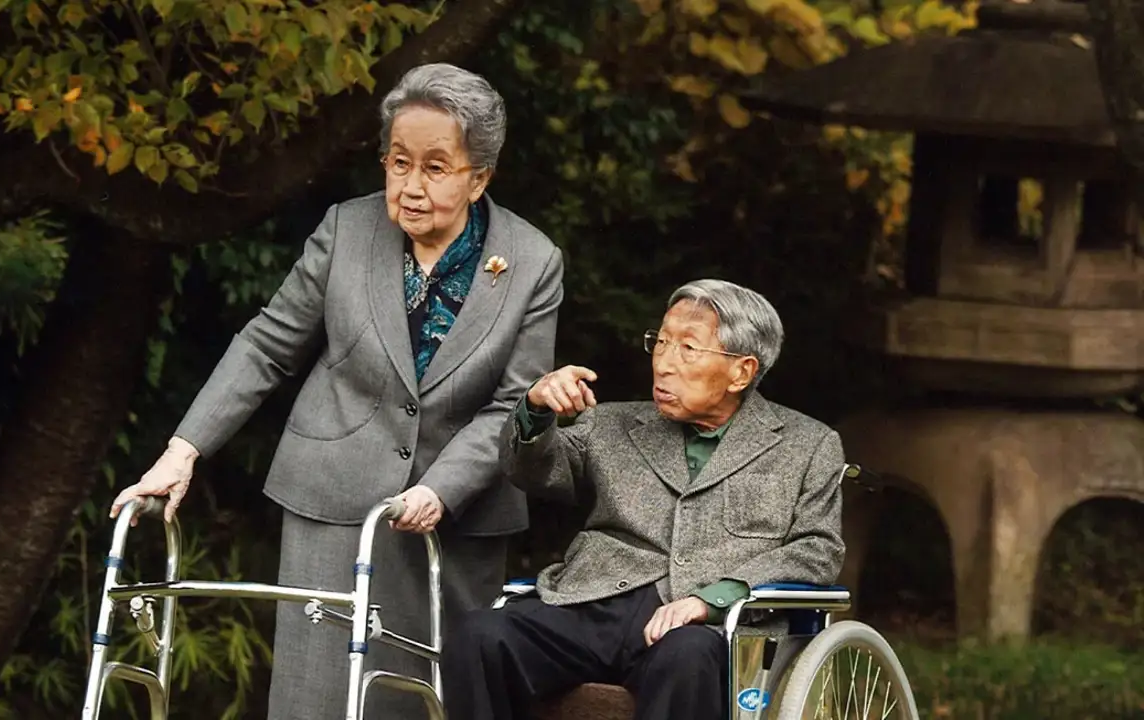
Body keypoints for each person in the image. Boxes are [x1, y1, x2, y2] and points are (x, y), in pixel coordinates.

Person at [109, 63, 565, 720]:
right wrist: (183, 450)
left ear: (480, 177)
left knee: (431, 700)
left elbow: (514, 403)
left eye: (435, 169)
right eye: (398, 162)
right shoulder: (345, 231)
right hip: (333, 500)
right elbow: (268, 343)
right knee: (316, 701)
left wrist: (442, 489)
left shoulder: (532, 261)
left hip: (457, 516)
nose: (410, 186)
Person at [442, 279, 846, 720]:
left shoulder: (807, 444)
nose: (665, 364)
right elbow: (532, 471)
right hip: (593, 604)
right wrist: (537, 408)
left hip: (707, 623)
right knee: (479, 634)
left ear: (741, 372)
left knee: (687, 656)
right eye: (662, 342)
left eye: (688, 348)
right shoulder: (612, 423)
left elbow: (817, 550)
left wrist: (713, 600)